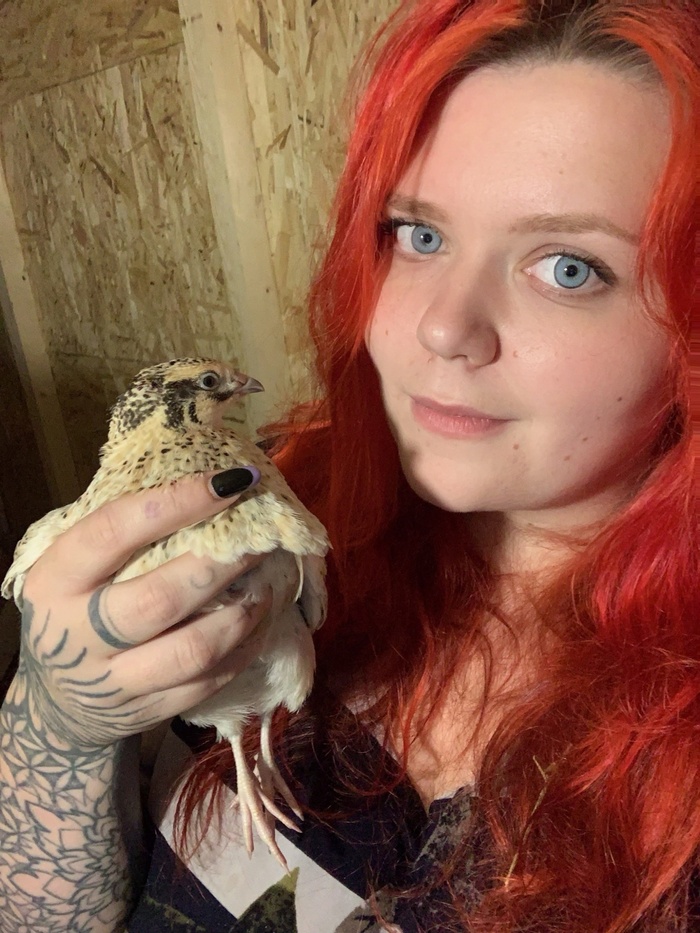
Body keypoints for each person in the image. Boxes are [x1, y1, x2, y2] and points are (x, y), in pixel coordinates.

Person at [0, 0, 698, 930]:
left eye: (569, 266)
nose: (441, 326)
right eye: (418, 234)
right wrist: (62, 727)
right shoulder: (273, 507)